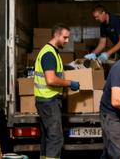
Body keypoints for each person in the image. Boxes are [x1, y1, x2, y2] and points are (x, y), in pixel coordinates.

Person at [34, 24, 81, 159]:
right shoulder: (49, 54)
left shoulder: (52, 52)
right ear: (56, 35)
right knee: (56, 138)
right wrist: (69, 83)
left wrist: (68, 67)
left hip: (45, 100)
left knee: (47, 137)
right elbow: (51, 80)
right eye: (65, 37)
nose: (67, 41)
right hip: (49, 100)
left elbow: (53, 71)